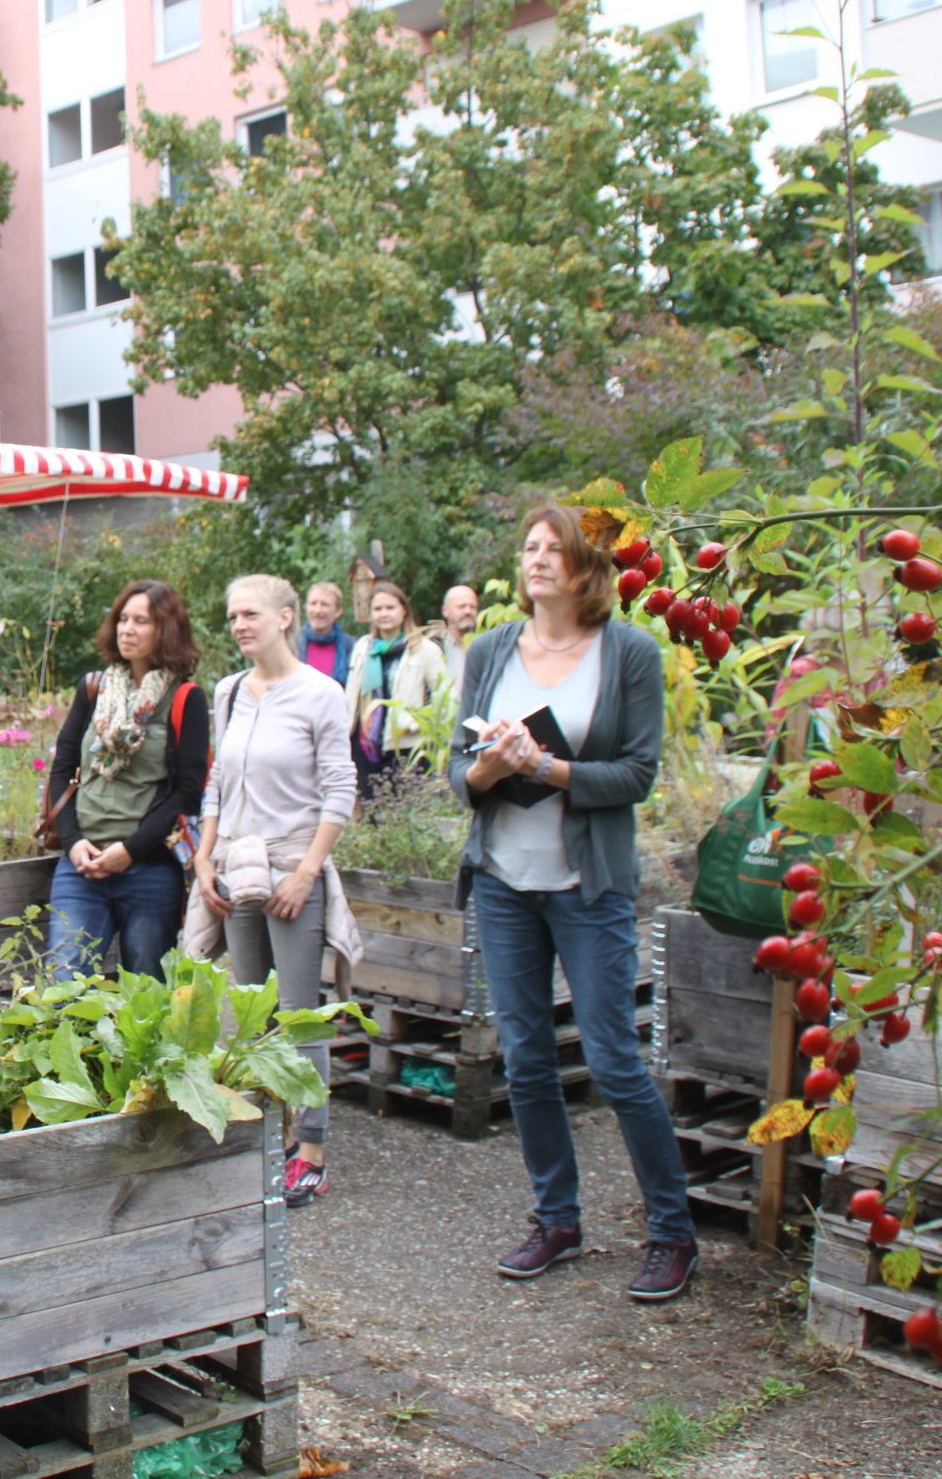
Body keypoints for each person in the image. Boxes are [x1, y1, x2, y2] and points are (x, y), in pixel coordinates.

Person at [450, 503, 695, 1304]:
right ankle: (557, 1220)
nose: (538, 559)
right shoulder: (491, 651)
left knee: (616, 1061)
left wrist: (547, 767)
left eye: (556, 549)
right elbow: (462, 775)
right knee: (526, 1063)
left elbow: (636, 777)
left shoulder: (628, 653)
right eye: (529, 547)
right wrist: (492, 767)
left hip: (588, 890)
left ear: (589, 567)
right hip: (503, 885)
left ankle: (673, 1234)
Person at [194, 575, 357, 1209]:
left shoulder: (321, 694)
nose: (239, 624)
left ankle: (311, 1151)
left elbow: (340, 790)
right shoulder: (229, 691)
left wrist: (307, 872)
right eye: (232, 614)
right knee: (250, 1013)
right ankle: (269, 1135)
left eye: (251, 614)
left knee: (299, 1014)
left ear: (287, 618)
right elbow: (216, 785)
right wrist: (205, 858)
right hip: (236, 869)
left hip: (292, 868)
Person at [43, 581, 211, 978]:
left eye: (141, 621)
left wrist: (131, 850)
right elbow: (64, 770)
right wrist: (73, 842)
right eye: (122, 618)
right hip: (81, 865)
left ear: (166, 630)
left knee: (145, 997)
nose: (127, 629)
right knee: (63, 987)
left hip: (149, 870)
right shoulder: (94, 689)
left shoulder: (186, 698)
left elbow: (187, 793)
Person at [346, 582, 446, 800]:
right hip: (366, 745)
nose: (384, 614)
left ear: (403, 611)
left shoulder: (424, 649)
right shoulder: (364, 648)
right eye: (378, 609)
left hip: (405, 744)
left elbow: (443, 697)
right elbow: (352, 695)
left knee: (406, 811)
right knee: (370, 813)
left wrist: (421, 723)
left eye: (390, 608)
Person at [298, 582, 355, 686]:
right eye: (313, 603)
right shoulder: (292, 643)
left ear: (338, 611)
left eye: (324, 604)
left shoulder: (351, 647)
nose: (317, 610)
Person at [439, 583, 479, 690]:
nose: (468, 611)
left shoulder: (484, 645)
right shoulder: (435, 647)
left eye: (473, 607)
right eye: (461, 607)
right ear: (445, 611)